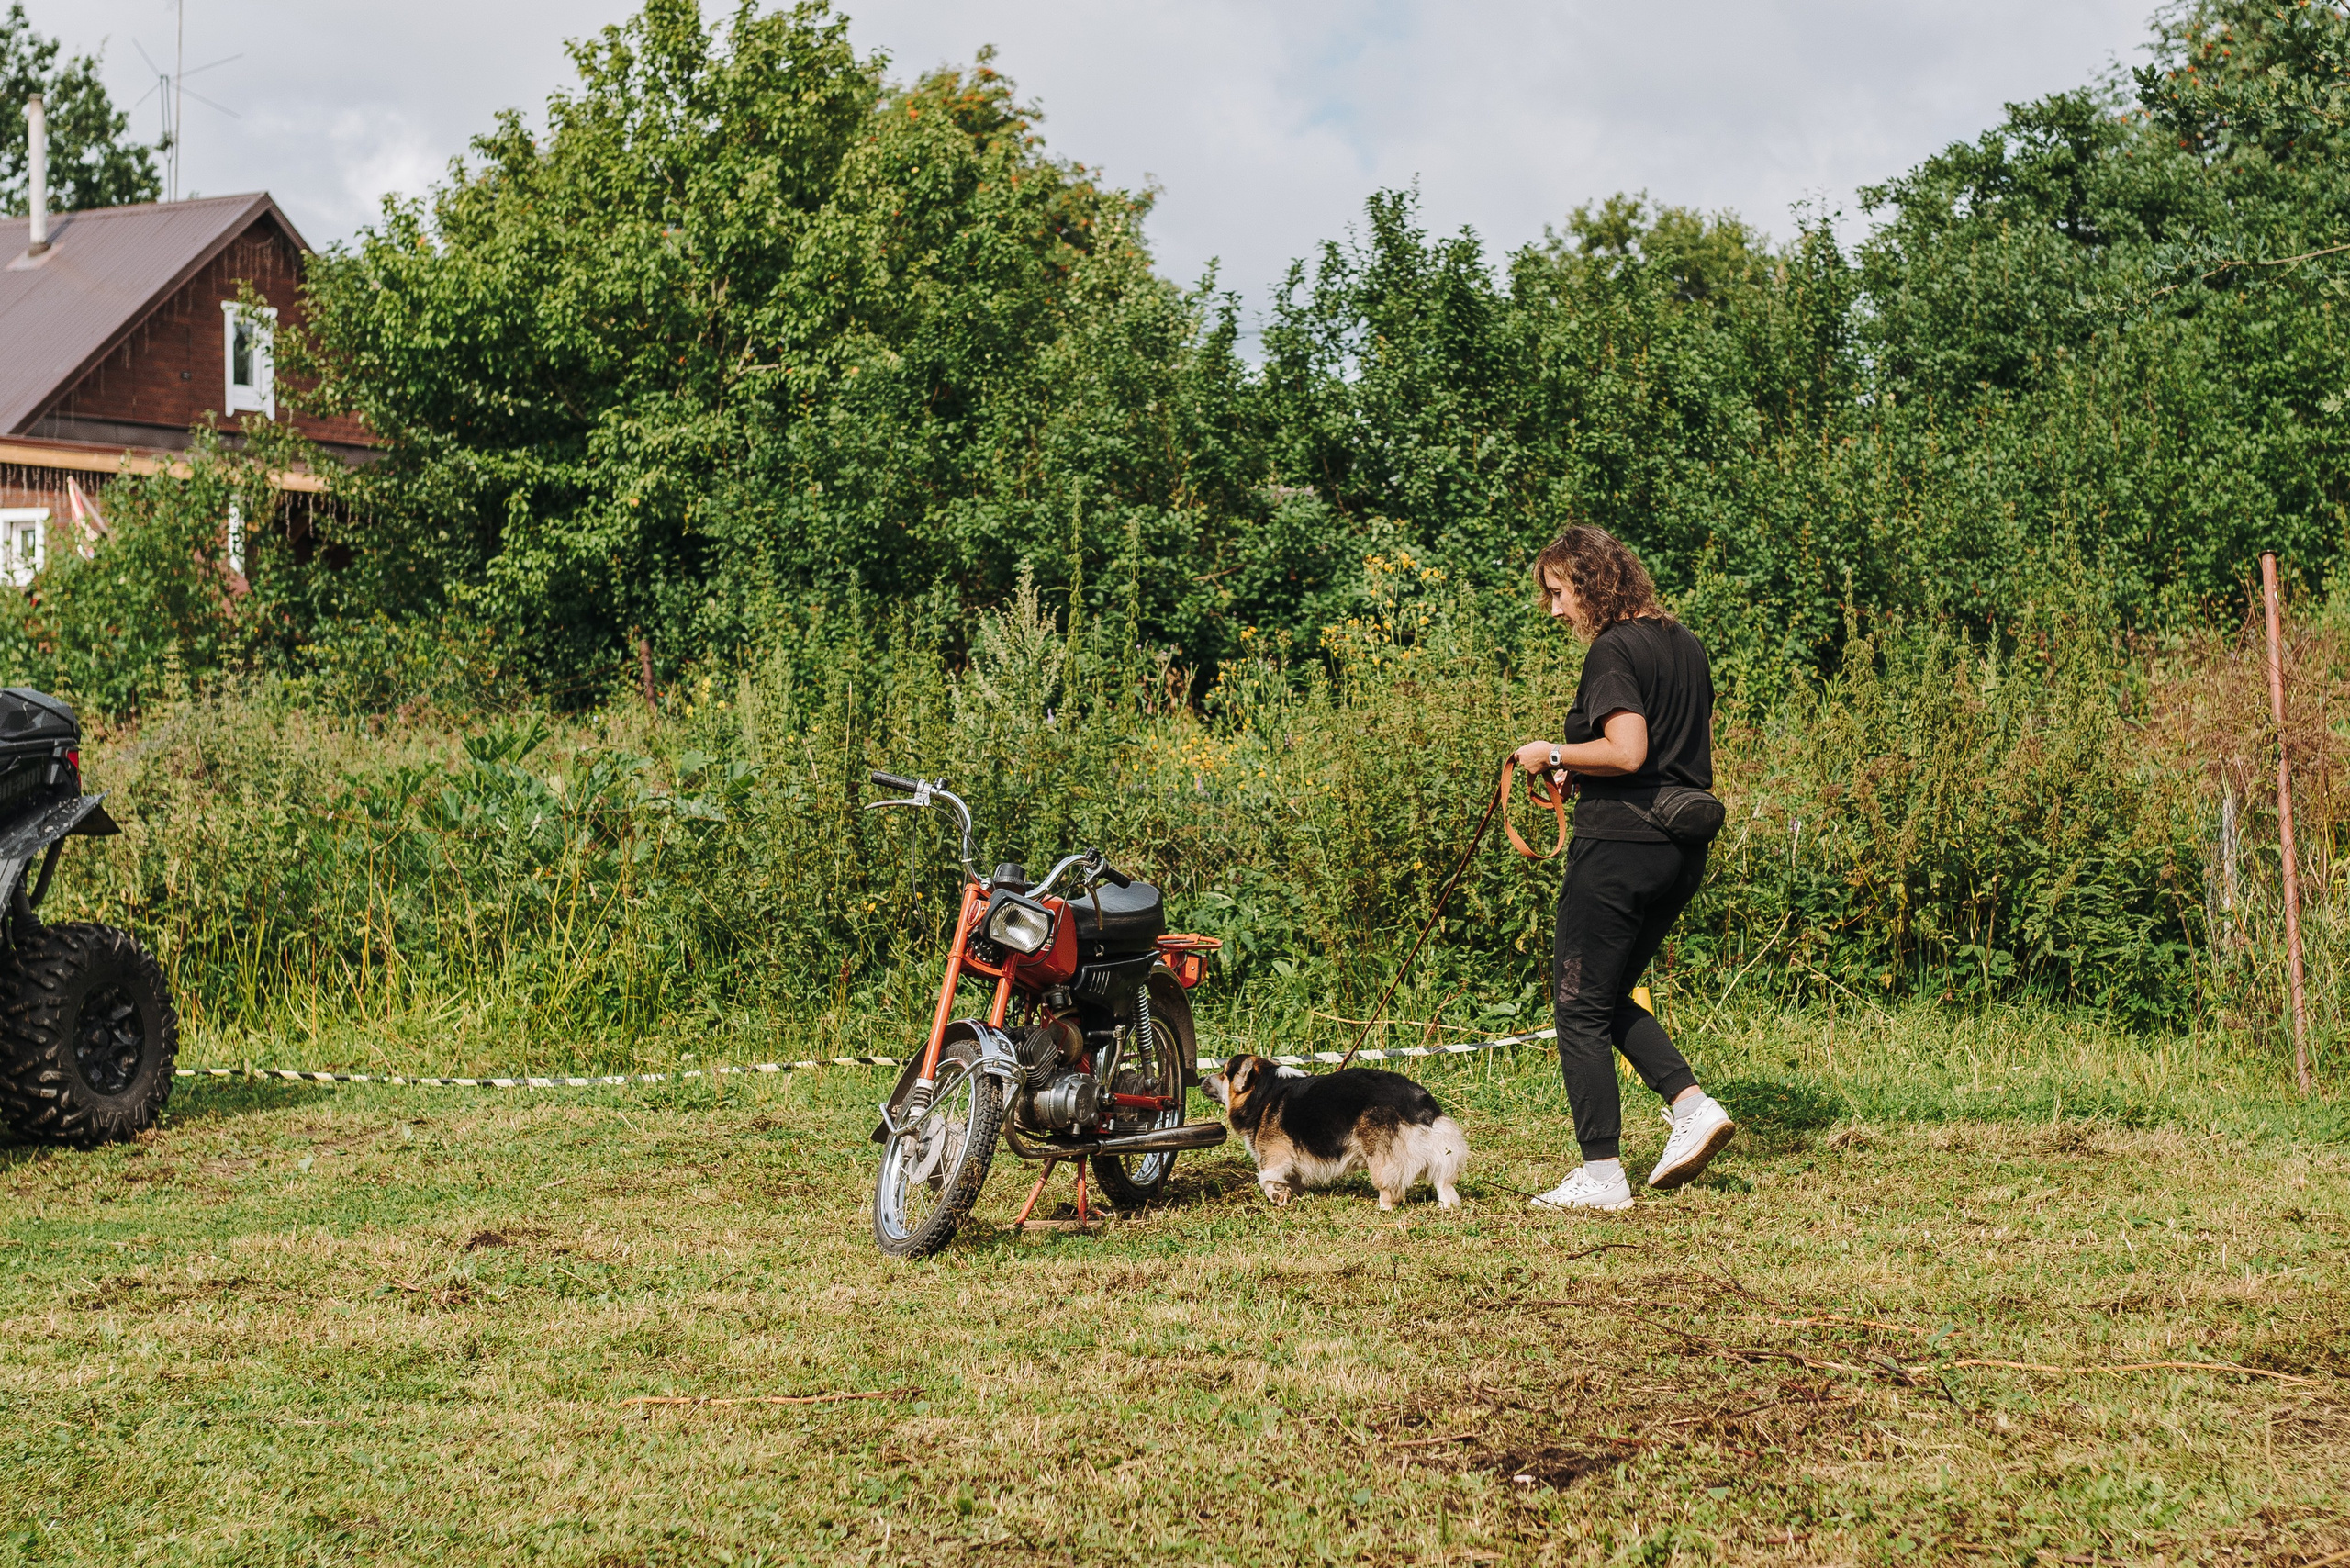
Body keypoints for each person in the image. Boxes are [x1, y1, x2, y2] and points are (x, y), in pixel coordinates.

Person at [1511, 525, 1734, 1212]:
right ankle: (1692, 1107)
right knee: (1608, 998)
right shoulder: (1685, 644)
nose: (1554, 611)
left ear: (1589, 580)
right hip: (1678, 848)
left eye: (1557, 593)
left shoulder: (1613, 649)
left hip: (1618, 850)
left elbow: (1630, 751)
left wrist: (1554, 754)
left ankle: (1602, 1175)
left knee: (1577, 1007)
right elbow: (1665, 753)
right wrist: (1585, 770)